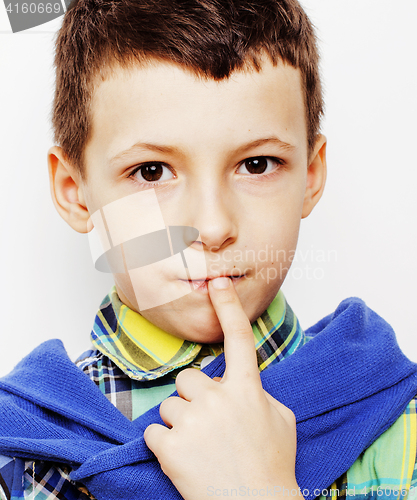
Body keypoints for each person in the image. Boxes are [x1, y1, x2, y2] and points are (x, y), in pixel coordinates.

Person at [0, 0, 416, 499]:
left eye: (257, 164)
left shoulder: (395, 419)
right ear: (74, 190)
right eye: (152, 171)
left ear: (310, 175)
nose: (213, 226)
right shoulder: (21, 447)